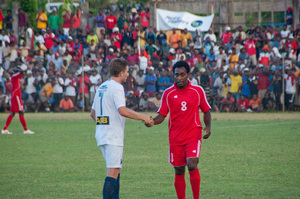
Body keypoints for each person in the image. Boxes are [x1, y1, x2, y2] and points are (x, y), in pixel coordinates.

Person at [145, 60, 211, 199]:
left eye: (182, 74)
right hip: (175, 137)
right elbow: (162, 115)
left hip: (193, 133)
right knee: (179, 169)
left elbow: (206, 111)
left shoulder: (197, 91)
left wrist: (208, 127)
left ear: (188, 75)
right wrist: (151, 121)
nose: (179, 78)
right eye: (176, 75)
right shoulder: (168, 93)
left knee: (192, 164)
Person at [90, 58, 153, 199]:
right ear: (121, 72)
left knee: (116, 171)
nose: (127, 74)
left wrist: (104, 125)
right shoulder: (117, 87)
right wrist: (143, 117)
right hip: (113, 136)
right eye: (126, 72)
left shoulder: (102, 86)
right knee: (112, 173)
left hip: (102, 134)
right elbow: (122, 110)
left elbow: (93, 114)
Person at [2, 64, 35, 134]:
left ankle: (4, 129)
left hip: (14, 96)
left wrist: (24, 69)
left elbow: (22, 74)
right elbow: (22, 73)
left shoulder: (15, 76)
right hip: (16, 96)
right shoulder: (15, 76)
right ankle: (25, 130)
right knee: (21, 112)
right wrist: (25, 68)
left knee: (12, 113)